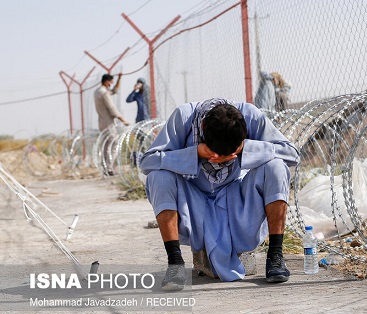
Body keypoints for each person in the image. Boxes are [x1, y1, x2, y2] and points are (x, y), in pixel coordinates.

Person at [140, 98, 299, 290]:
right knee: (158, 177)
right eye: (216, 155)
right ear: (203, 127)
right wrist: (194, 153)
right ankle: (175, 263)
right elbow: (147, 162)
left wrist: (246, 149)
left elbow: (292, 154)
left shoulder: (250, 116)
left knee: (277, 167)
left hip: (236, 201)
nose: (220, 161)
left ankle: (275, 256)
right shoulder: (184, 117)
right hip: (194, 202)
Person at [94, 73, 128, 175]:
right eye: (111, 82)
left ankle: (105, 167)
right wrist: (123, 120)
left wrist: (119, 79)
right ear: (106, 81)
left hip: (101, 122)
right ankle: (109, 168)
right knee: (115, 143)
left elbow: (114, 91)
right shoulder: (104, 93)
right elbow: (112, 107)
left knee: (106, 146)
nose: (111, 84)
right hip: (108, 123)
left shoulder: (98, 91)